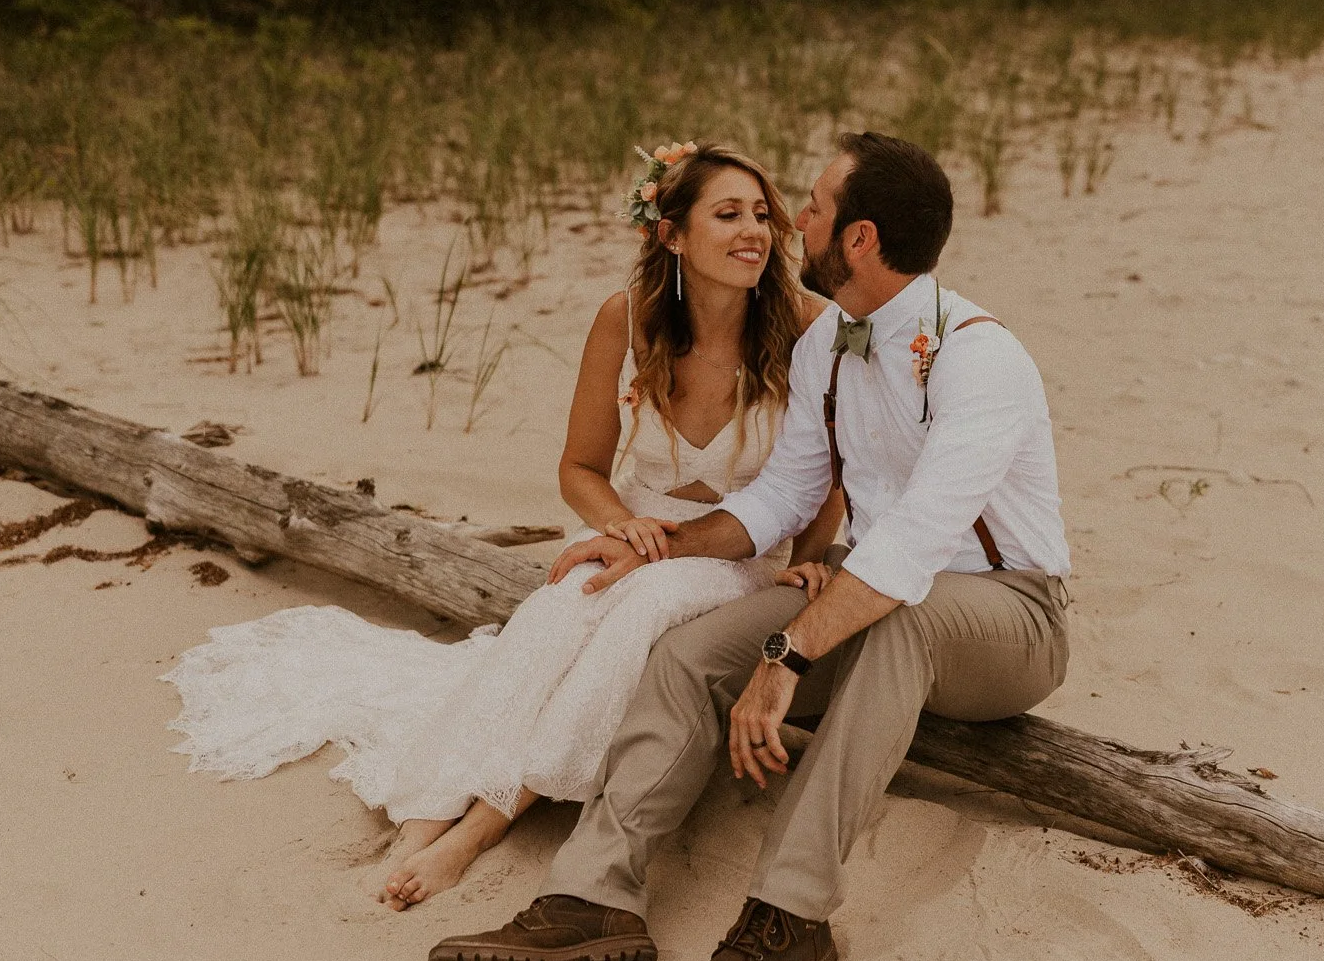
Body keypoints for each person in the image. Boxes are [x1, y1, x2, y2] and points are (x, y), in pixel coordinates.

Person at [426, 132, 1071, 961]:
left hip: (1008, 613)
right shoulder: (827, 350)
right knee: (690, 651)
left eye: (809, 204)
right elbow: (783, 496)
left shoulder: (977, 355)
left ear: (858, 237)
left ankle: (789, 916)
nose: (789, 221)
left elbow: (917, 544)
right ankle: (593, 896)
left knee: (901, 618)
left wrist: (789, 653)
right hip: (870, 590)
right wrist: (656, 546)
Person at [162, 143, 842, 911]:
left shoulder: (809, 327)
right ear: (672, 234)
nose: (754, 230)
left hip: (738, 552)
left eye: (761, 214)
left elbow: (833, 472)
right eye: (728, 214)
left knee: (645, 608)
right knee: (567, 599)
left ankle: (482, 824)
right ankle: (430, 804)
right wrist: (623, 526)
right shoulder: (628, 318)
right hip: (632, 535)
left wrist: (809, 563)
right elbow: (580, 468)